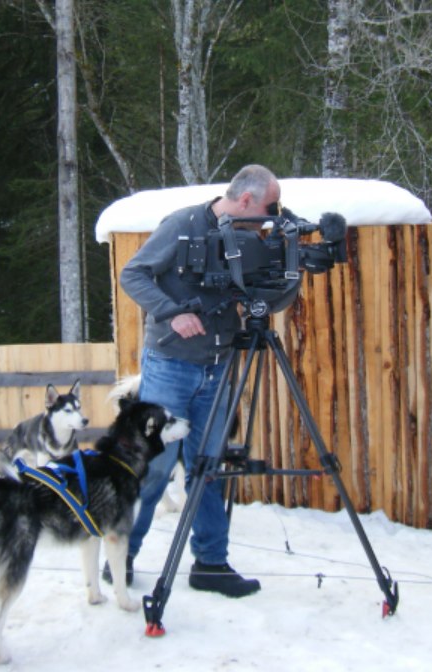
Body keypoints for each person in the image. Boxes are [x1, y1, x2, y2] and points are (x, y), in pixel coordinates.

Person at [106, 164, 280, 598]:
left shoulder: (248, 237)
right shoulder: (183, 225)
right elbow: (133, 273)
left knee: (207, 466)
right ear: (245, 200)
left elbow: (259, 292)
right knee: (155, 465)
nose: (270, 215)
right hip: (171, 365)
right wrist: (170, 311)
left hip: (219, 365)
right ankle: (121, 557)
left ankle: (211, 563)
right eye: (267, 206)